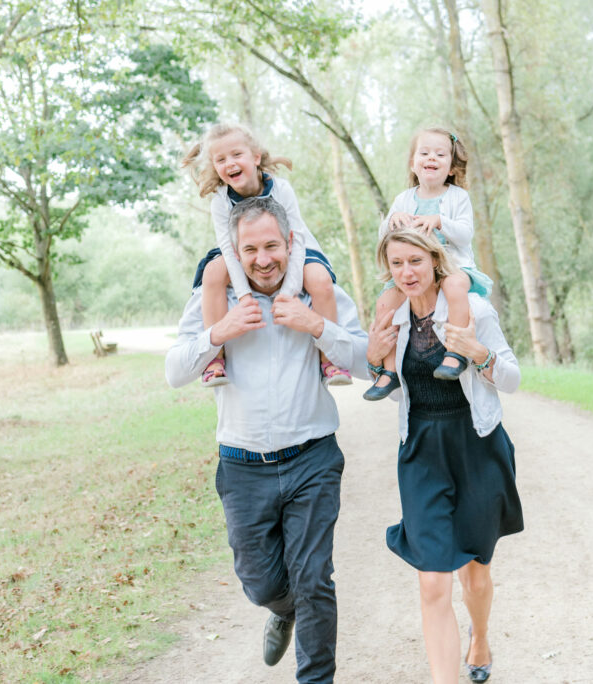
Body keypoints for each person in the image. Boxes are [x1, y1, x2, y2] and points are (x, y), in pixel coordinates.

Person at [166, 196, 369, 683]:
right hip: (241, 464)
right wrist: (219, 332)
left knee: (313, 579)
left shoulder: (317, 291)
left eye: (272, 246)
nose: (263, 259)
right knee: (260, 585)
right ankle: (283, 608)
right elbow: (175, 371)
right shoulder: (215, 298)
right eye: (250, 249)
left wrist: (317, 325)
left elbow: (368, 361)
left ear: (290, 242)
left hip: (313, 458)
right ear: (235, 252)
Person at [365, 228, 522, 683]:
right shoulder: (392, 317)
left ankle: (481, 637)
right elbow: (398, 393)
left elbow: (511, 379)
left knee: (474, 576)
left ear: (435, 262)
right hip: (421, 451)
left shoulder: (473, 309)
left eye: (414, 261)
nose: (406, 272)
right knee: (433, 581)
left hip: (476, 448)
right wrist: (376, 362)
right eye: (396, 263)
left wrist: (479, 353)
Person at [182, 123, 352, 387]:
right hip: (241, 249)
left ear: (256, 157)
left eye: (237, 155)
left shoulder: (281, 189)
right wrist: (244, 297)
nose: (230, 164)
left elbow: (297, 239)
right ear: (215, 166)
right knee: (213, 272)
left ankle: (329, 360)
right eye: (221, 159)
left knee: (319, 279)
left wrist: (289, 291)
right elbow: (229, 249)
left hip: (291, 245)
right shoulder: (221, 200)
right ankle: (215, 360)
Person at [363, 126, 493, 401]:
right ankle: (389, 371)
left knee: (455, 286)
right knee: (385, 302)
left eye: (440, 154)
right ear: (413, 163)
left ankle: (455, 352)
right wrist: (391, 221)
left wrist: (440, 222)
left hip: (453, 266)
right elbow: (384, 235)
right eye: (424, 153)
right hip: (415, 271)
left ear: (451, 167)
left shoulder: (457, 197)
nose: (431, 158)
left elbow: (466, 234)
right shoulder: (404, 199)